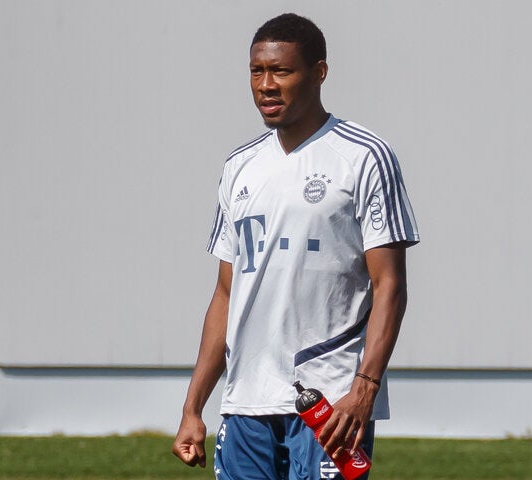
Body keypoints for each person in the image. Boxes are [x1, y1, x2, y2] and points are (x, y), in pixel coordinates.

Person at [172, 13, 419, 480]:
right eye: (256, 71)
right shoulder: (239, 167)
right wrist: (193, 407)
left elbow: (391, 285)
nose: (266, 85)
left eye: (281, 71)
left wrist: (365, 389)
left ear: (319, 72)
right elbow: (226, 294)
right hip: (245, 402)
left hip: (329, 402)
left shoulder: (364, 157)